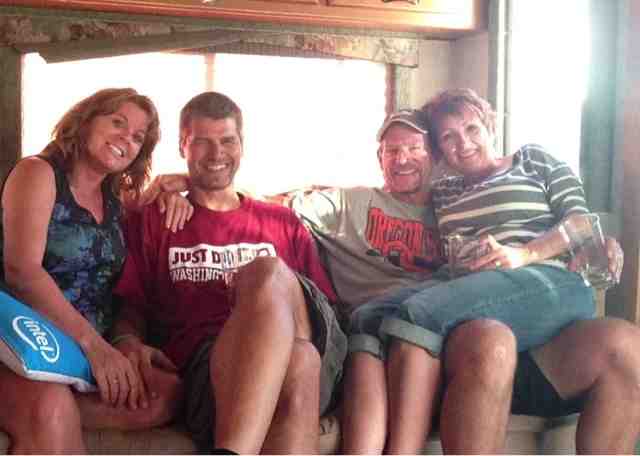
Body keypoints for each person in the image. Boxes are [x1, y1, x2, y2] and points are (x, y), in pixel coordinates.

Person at [346, 88, 640, 454]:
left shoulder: (533, 160)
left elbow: (580, 222)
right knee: (367, 317)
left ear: (490, 126)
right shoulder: (444, 191)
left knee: (417, 313)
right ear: (439, 150)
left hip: (546, 283)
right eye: (448, 137)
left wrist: (525, 254)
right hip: (477, 300)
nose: (464, 143)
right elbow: (399, 190)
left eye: (472, 128)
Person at [110, 91, 348, 454]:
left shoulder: (281, 220)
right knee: (300, 361)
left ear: (242, 145)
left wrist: (260, 287)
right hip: (210, 374)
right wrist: (126, 340)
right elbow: (131, 304)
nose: (216, 153)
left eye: (227, 141)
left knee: (268, 274)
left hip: (305, 340)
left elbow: (322, 314)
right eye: (202, 142)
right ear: (183, 146)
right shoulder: (156, 220)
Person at [0, 88, 186, 453]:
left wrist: (177, 188)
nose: (126, 139)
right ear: (85, 121)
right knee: (51, 408)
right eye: (117, 122)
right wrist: (95, 347)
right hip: (21, 342)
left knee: (164, 392)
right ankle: (48, 409)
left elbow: (153, 199)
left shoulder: (116, 200)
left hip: (83, 354)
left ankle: (55, 405)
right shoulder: (37, 173)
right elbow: (22, 272)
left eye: (137, 137)